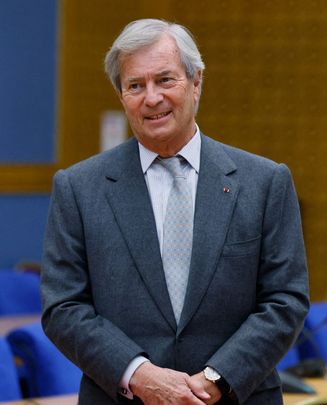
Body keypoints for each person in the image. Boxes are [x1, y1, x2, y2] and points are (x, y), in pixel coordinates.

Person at [41, 18, 309, 404]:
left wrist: (215, 380)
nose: (151, 98)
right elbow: (63, 307)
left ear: (196, 82)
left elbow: (286, 300)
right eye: (135, 85)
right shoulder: (78, 188)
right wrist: (139, 375)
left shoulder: (265, 182)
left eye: (165, 80)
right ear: (121, 95)